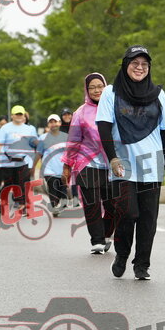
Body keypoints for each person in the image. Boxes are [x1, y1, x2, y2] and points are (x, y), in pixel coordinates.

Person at [96, 45, 165, 280]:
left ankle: (142, 264)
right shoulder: (111, 93)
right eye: (135, 63)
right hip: (123, 164)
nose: (139, 68)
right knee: (128, 213)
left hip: (152, 164)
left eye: (144, 64)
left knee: (148, 219)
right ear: (125, 65)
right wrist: (112, 157)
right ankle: (122, 254)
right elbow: (103, 127)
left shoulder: (158, 94)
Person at [63, 73, 118, 254]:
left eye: (100, 86)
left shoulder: (115, 108)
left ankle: (106, 234)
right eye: (92, 87)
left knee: (113, 205)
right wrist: (67, 165)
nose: (96, 90)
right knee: (91, 204)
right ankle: (97, 241)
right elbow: (73, 141)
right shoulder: (80, 113)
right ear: (86, 90)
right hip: (87, 163)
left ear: (106, 87)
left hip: (112, 164)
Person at [0, 105, 38, 213]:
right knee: (8, 184)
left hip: (24, 161)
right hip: (8, 162)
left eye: (21, 114)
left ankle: (22, 205)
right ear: (12, 116)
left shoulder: (30, 129)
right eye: (17, 114)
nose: (19, 116)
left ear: (24, 115)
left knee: (23, 184)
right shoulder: (5, 128)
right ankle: (2, 201)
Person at [35, 115, 68, 216]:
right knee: (53, 189)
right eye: (51, 122)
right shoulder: (43, 138)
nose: (53, 124)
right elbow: (39, 153)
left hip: (62, 170)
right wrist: (33, 167)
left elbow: (70, 153)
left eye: (55, 122)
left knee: (62, 192)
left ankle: (58, 204)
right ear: (48, 124)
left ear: (60, 123)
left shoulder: (66, 137)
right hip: (49, 170)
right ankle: (54, 207)